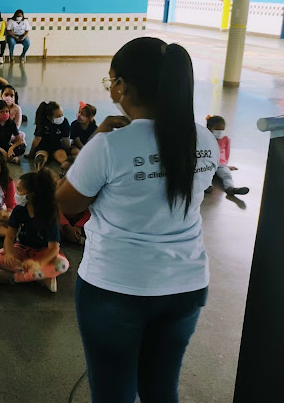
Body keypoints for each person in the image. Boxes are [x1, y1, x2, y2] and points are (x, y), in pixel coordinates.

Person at [56, 37, 217, 403]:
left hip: (116, 287)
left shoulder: (111, 144)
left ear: (121, 86)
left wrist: (97, 138)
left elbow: (67, 202)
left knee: (113, 392)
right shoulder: (204, 140)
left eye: (111, 79)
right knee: (162, 389)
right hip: (186, 286)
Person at [0, 170, 69, 292]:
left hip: (43, 252)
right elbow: (10, 237)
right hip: (22, 249)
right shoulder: (19, 210)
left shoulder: (49, 214)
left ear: (31, 195)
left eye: (19, 190)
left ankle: (15, 277)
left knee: (63, 264)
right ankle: (41, 276)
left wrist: (39, 263)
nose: (16, 194)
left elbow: (54, 249)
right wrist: (9, 254)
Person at [205, 115, 249, 197]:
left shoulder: (225, 139)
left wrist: (226, 165)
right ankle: (207, 186)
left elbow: (227, 153)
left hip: (220, 163)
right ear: (209, 129)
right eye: (217, 129)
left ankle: (230, 188)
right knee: (206, 174)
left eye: (222, 130)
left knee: (227, 175)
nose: (220, 132)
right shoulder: (205, 138)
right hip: (207, 163)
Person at [29, 101, 70, 169]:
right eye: (58, 116)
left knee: (63, 159)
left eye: (62, 115)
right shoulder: (42, 122)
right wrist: (31, 153)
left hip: (57, 146)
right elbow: (37, 140)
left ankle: (65, 172)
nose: (61, 117)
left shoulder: (64, 122)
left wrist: (67, 150)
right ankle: (38, 170)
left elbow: (65, 139)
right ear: (49, 117)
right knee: (41, 157)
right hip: (43, 146)